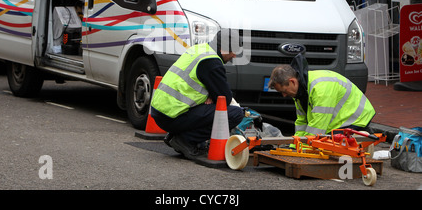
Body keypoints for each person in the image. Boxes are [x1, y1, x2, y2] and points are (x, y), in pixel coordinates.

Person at [150, 29, 245, 160]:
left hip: (160, 111)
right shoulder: (212, 62)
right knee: (235, 114)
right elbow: (225, 98)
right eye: (232, 51)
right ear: (222, 48)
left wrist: (210, 94)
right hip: (172, 115)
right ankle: (185, 140)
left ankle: (176, 136)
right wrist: (212, 95)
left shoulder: (199, 49)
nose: (234, 56)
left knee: (212, 108)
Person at [268, 53, 375, 137]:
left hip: (356, 120)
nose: (284, 95)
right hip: (342, 121)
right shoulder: (300, 93)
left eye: (284, 91)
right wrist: (294, 146)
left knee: (328, 147)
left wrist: (303, 150)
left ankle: (364, 134)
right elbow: (302, 122)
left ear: (292, 82)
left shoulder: (320, 90)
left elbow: (317, 128)